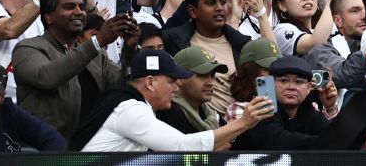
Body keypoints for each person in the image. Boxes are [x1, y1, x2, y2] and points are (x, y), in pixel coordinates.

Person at [74, 48, 274, 150]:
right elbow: (182, 147)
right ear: (150, 82)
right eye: (171, 80)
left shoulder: (130, 104)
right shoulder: (130, 109)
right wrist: (243, 122)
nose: (177, 86)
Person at [11, 0, 129, 139]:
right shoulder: (27, 48)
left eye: (81, 7)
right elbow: (46, 77)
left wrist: (131, 48)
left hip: (89, 147)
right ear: (48, 17)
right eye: (69, 7)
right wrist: (98, 41)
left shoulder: (96, 55)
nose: (79, 12)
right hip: (42, 151)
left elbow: (125, 85)